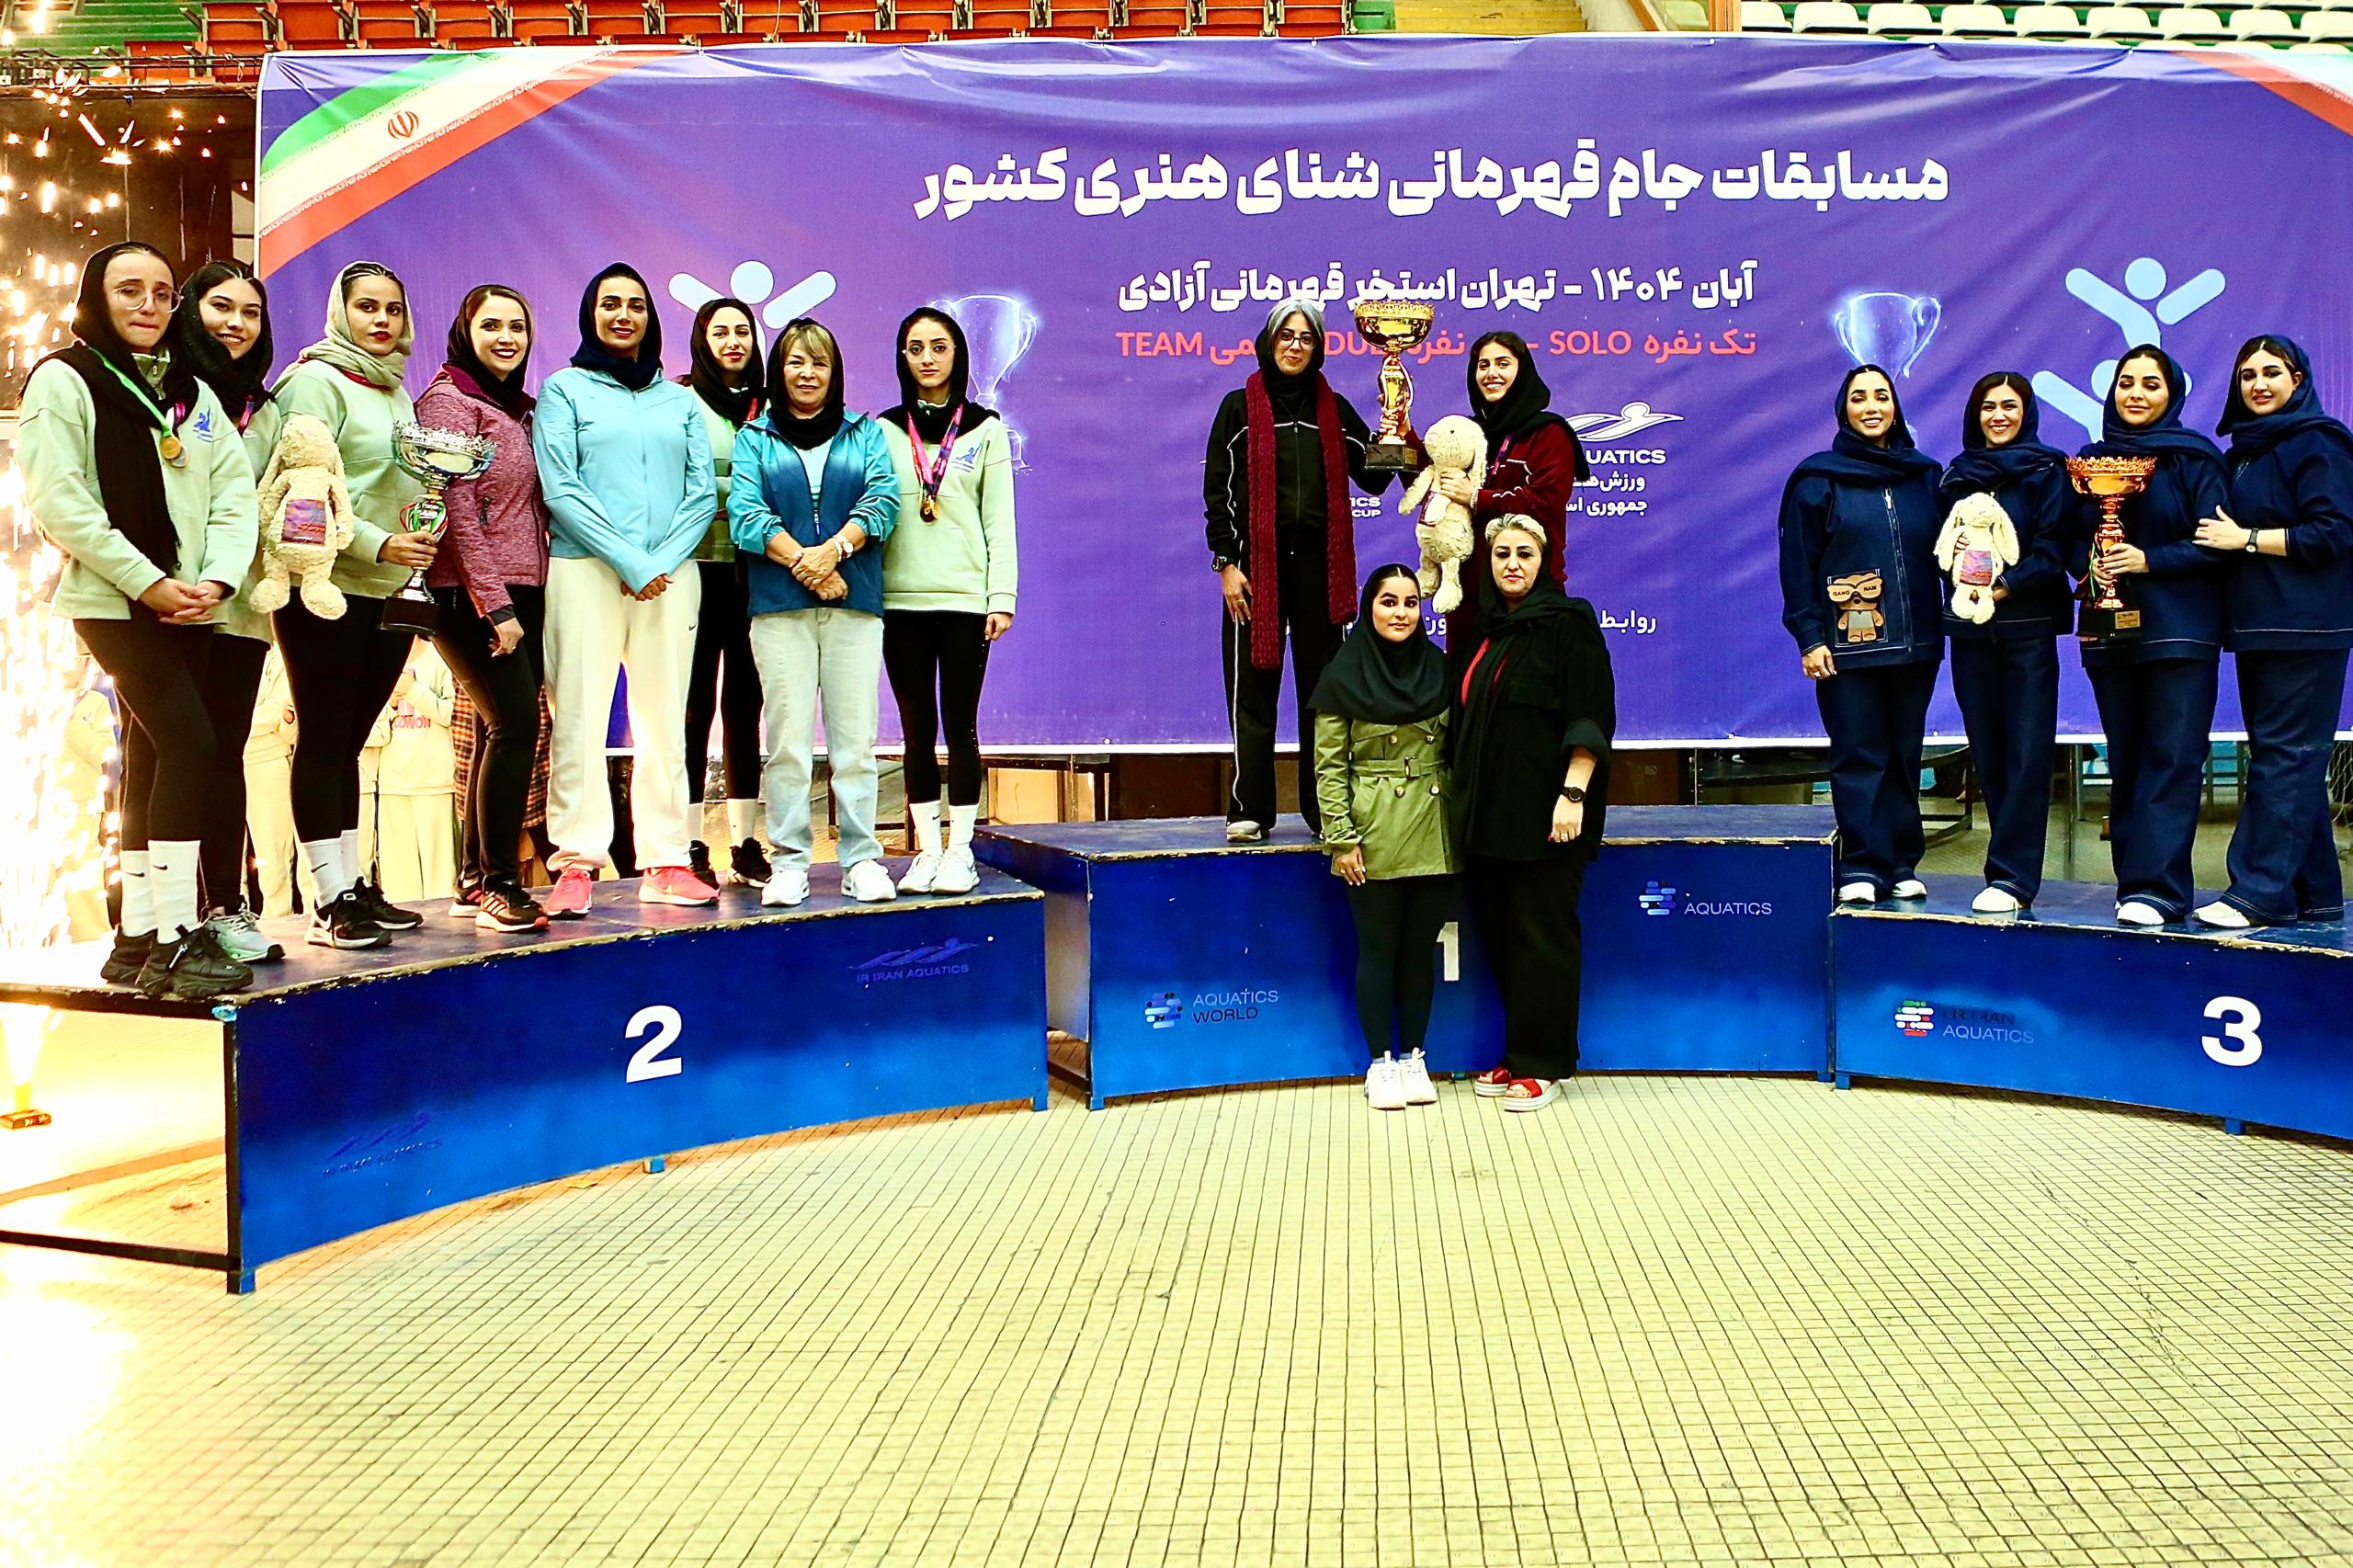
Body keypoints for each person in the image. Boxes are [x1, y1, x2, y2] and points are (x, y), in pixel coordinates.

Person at [18, 241, 259, 998]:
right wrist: (147, 581)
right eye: (130, 290)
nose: (148, 305)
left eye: (161, 292)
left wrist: (217, 577)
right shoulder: (64, 379)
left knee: (156, 757)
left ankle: (137, 940)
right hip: (115, 601)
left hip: (193, 603)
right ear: (98, 297)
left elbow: (234, 496)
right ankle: (178, 939)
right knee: (192, 743)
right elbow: (60, 500)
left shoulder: (193, 392)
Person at [245, 260, 431, 949]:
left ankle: (351, 884)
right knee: (324, 737)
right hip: (322, 587)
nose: (381, 320)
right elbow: (303, 494)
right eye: (366, 307)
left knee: (348, 741)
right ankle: (326, 900)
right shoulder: (314, 381)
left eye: (392, 308)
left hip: (386, 587)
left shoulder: (395, 388)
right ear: (339, 312)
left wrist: (413, 539)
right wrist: (380, 543)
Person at [532, 262, 718, 917]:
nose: (623, 315)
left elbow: (702, 494)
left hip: (671, 575)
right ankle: (577, 862)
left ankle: (666, 859)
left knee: (665, 720)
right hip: (585, 570)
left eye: (635, 305)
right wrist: (630, 561)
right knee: (578, 716)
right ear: (591, 314)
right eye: (610, 303)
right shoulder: (564, 390)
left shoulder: (680, 401)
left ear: (650, 318)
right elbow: (561, 488)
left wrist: (659, 561)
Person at [1203, 297, 1396, 843]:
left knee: (1323, 695)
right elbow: (1218, 490)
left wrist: (1397, 434)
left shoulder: (1333, 409)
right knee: (1251, 692)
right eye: (1286, 335)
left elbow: (1374, 476)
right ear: (1268, 342)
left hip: (1320, 571)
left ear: (1319, 348)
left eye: (1306, 337)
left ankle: (1323, 810)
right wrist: (1227, 562)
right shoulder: (1238, 408)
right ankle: (1250, 808)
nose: (1295, 346)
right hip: (1254, 572)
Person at [730, 317, 901, 907]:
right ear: (778, 370)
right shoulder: (755, 437)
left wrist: (834, 553)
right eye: (796, 361)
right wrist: (807, 563)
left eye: (819, 362)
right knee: (787, 743)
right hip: (778, 608)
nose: (807, 373)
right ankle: (789, 861)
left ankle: (861, 858)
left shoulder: (865, 433)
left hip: (855, 603)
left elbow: (883, 501)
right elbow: (745, 515)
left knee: (855, 741)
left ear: (836, 372)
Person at [1449, 517, 1613, 1111]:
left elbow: (1590, 714)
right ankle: (1519, 1053)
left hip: (1549, 817)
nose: (1512, 563)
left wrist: (1573, 795)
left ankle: (1544, 1065)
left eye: (1524, 553)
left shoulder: (1569, 624)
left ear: (1543, 562)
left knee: (1543, 938)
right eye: (1501, 554)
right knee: (1504, 938)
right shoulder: (1487, 631)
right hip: (1490, 820)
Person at [2190, 336, 2353, 929]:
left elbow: (2334, 533)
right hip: (2259, 629)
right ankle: (2315, 895)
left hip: (2306, 628)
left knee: (2285, 758)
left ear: (2298, 379)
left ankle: (2257, 893)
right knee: (2286, 758)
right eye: (2247, 375)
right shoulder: (2246, 452)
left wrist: (2250, 540)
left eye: (2271, 373)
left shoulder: (2319, 442)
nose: (2258, 384)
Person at [2073, 345, 2231, 927]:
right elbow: (2069, 538)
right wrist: (2092, 564)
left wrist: (2149, 560)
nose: (2135, 394)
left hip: (2181, 636)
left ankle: (2160, 889)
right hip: (2109, 637)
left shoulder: (2196, 460)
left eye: (2150, 384)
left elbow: (2218, 545)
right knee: (2128, 762)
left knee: (2172, 760)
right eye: (2126, 383)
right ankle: (2131, 885)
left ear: (2172, 394)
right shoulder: (2091, 463)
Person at [1778, 365, 1945, 905]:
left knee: (1903, 756)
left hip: (1916, 645)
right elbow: (1797, 566)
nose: (1871, 407)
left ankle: (1901, 864)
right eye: (1859, 398)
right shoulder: (1817, 480)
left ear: (1895, 407)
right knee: (1857, 755)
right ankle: (1862, 867)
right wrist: (1810, 637)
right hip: (1844, 650)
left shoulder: (1926, 477)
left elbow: (1950, 551)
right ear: (1843, 410)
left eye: (1881, 396)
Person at [415, 283, 552, 934]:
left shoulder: (514, 408)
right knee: (515, 725)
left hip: (524, 587)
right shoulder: (449, 400)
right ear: (465, 331)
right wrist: (494, 605)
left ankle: (475, 879)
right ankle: (497, 881)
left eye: (517, 327)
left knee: (506, 726)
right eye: (492, 325)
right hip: (470, 595)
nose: (506, 338)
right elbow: (456, 511)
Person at [878, 305, 1017, 897]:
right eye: (916, 348)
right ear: (902, 358)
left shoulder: (985, 430)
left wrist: (1001, 596)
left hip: (965, 602)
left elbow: (999, 522)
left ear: (957, 355)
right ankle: (927, 851)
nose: (928, 358)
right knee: (915, 732)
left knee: (961, 725)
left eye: (939, 347)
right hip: (899, 601)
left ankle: (960, 851)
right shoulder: (883, 430)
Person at [170, 258, 283, 961]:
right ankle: (165, 919)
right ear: (189, 310)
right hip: (164, 604)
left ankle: (225, 908)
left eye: (250, 312)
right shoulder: (161, 390)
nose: (235, 323)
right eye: (221, 307)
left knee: (223, 754)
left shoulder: (267, 410)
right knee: (170, 756)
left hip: (239, 608)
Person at [1312, 564, 1455, 1112]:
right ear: (1368, 607)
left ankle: (1416, 1057)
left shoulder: (1440, 668)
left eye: (1411, 602)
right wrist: (1341, 838)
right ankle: (1380, 1063)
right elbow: (1329, 767)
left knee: (1419, 952)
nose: (1401, 613)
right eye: (1388, 601)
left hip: (1434, 825)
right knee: (1377, 950)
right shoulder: (1343, 674)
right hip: (1371, 831)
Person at [1939, 372, 2073, 914]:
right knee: (1989, 753)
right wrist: (1959, 584)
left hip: (2027, 632)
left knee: (2027, 753)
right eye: (1988, 406)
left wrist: (2001, 588)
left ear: (2027, 413)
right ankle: (2005, 867)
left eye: (2010, 406)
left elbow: (2054, 549)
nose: (1998, 416)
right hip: (1970, 634)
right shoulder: (1956, 476)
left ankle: (2014, 878)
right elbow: (1941, 549)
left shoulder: (2048, 470)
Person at [679, 296, 769, 891]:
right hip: (694, 573)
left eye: (742, 331)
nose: (733, 342)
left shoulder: (774, 406)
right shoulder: (679, 401)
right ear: (702, 340)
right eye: (721, 332)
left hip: (756, 574)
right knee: (692, 709)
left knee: (745, 705)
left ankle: (745, 843)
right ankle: (688, 843)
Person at [1438, 330, 1589, 670]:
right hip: (1469, 593)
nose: (1491, 373)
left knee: (1525, 685)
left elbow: (1545, 501)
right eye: (1483, 365)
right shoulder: (1468, 434)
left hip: (1526, 590)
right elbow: (1436, 483)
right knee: (1464, 686)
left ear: (1523, 370)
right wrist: (1402, 432)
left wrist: (1477, 498)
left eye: (1503, 363)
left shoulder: (1548, 433)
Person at [368, 642, 460, 903]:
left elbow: (452, 713)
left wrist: (412, 690)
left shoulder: (440, 656)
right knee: (398, 872)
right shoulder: (381, 655)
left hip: (434, 779)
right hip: (392, 780)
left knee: (440, 868)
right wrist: (391, 703)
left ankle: (443, 922)